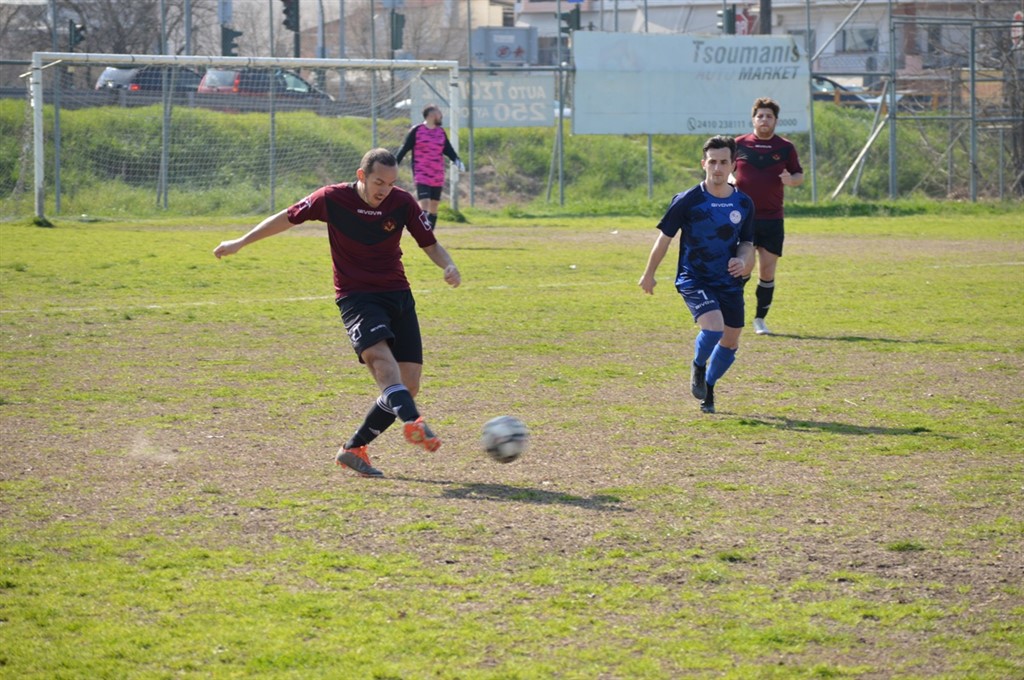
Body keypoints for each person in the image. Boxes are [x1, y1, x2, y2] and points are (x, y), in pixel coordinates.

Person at [213, 148, 461, 478]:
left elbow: (429, 243)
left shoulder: (401, 202)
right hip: (357, 298)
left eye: (390, 183)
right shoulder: (331, 198)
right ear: (362, 176)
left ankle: (353, 449)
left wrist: (448, 265)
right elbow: (287, 217)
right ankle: (412, 420)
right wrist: (241, 242)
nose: (384, 190)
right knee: (383, 364)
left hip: (398, 295)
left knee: (409, 384)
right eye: (378, 182)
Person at [639, 136, 755, 414]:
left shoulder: (743, 203)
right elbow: (664, 239)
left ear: (733, 165)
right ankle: (698, 365)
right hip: (694, 277)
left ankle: (709, 387)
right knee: (714, 328)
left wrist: (742, 260)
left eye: (723, 162)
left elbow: (747, 243)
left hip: (728, 281)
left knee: (731, 341)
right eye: (712, 162)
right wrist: (649, 273)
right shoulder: (688, 200)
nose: (717, 168)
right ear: (704, 164)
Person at [733, 97, 804, 336]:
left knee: (767, 271)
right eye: (760, 116)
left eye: (769, 116)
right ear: (753, 119)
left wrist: (791, 180)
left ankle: (759, 320)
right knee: (743, 268)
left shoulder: (785, 147)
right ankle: (733, 313)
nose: (764, 120)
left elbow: (798, 175)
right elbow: (725, 169)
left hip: (773, 219)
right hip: (744, 218)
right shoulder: (739, 144)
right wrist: (730, 179)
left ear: (775, 121)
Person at [395, 104, 466, 230]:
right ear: (431, 115)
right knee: (425, 202)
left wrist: (457, 160)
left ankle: (429, 234)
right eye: (439, 113)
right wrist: (394, 163)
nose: (441, 116)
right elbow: (404, 148)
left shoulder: (440, 132)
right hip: (421, 172)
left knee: (434, 205)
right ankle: (419, 229)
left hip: (437, 174)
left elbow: (448, 149)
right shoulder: (417, 130)